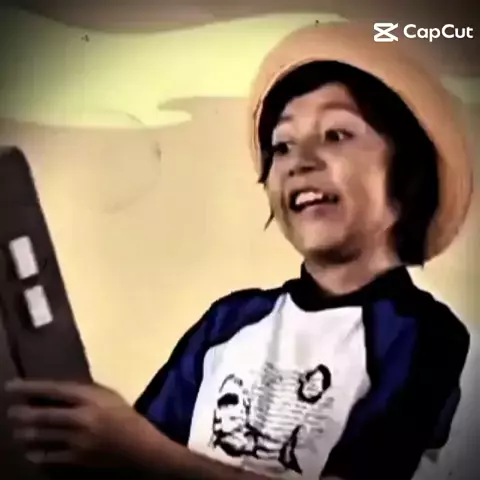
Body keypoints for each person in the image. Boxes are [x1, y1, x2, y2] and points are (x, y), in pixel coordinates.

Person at [5, 22, 474, 480]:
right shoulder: (229, 321)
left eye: (336, 134)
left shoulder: (426, 336)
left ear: (408, 173)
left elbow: (142, 451)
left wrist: (135, 448)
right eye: (281, 146)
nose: (299, 162)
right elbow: (136, 453)